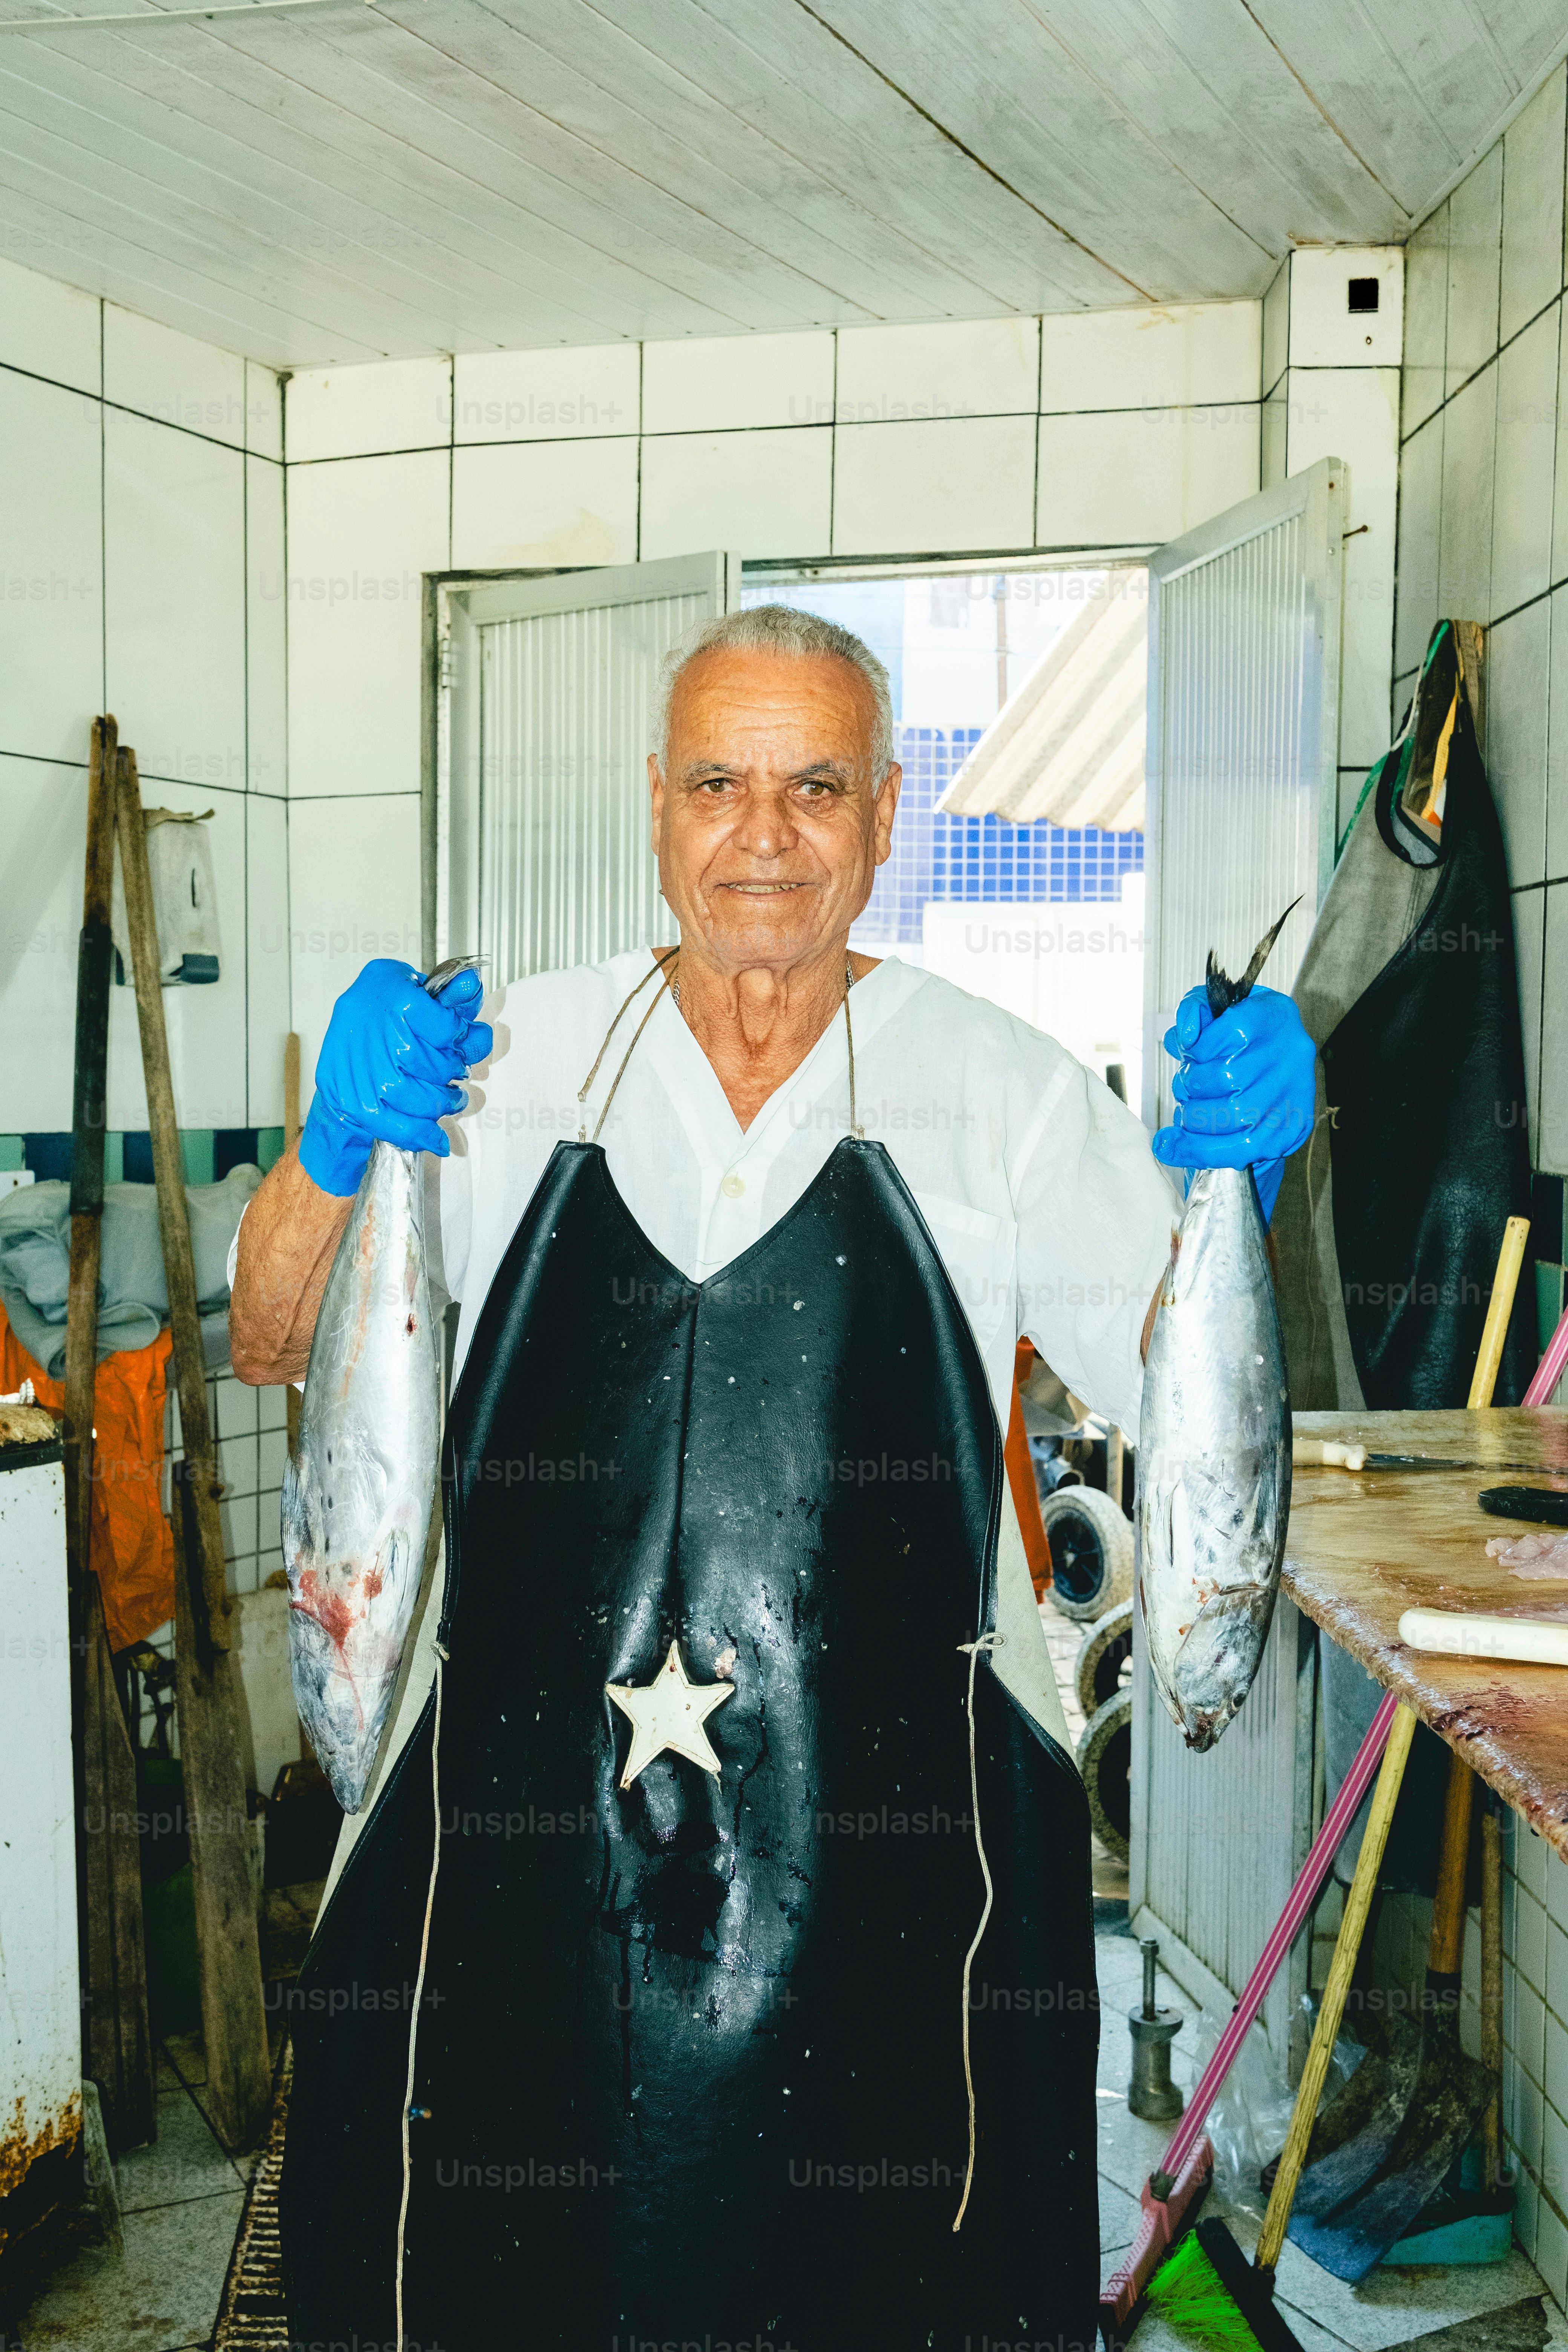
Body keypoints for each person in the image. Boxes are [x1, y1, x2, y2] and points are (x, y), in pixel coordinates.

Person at [231, 603, 1314, 2352]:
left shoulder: (1010, 1097)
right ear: (654, 807)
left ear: (888, 815)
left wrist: (1245, 1192)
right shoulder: (506, 1061)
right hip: (521, 1884)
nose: (764, 835)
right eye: (719, 784)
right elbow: (276, 1337)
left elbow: (1186, 1409)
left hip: (889, 1904)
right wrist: (333, 1144)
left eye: (814, 786)